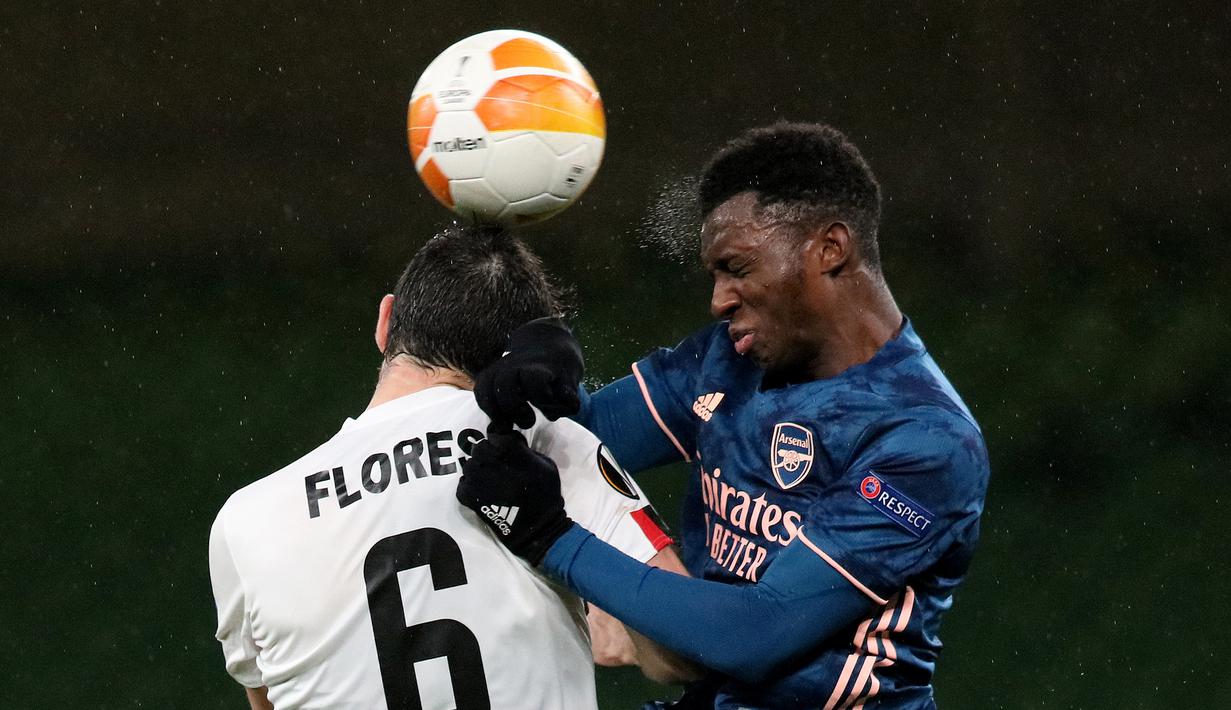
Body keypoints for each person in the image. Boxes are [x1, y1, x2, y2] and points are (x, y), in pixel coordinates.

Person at [458, 123, 991, 709]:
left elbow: (756, 633)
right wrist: (538, 360)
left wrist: (555, 543)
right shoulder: (728, 360)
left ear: (830, 249)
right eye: (714, 275)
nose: (719, 300)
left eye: (736, 267)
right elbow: (575, 439)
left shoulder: (925, 439)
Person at [208, 226, 689, 710]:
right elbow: (681, 654)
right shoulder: (546, 445)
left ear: (385, 321)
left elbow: (268, 698)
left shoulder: (245, 520)